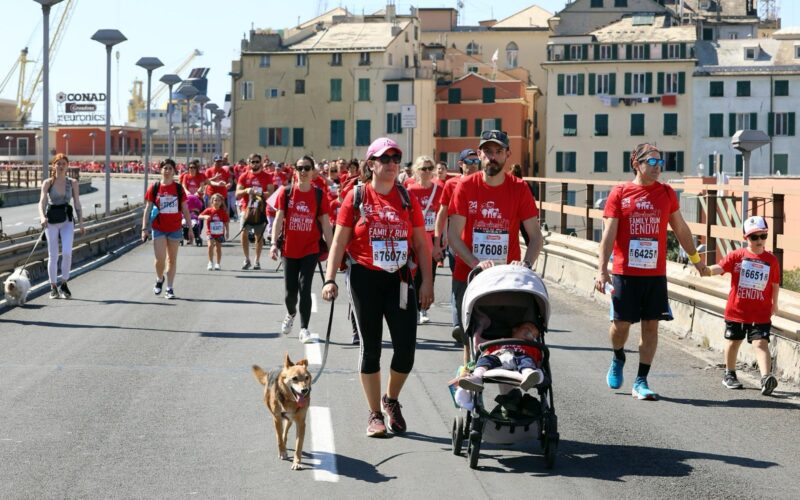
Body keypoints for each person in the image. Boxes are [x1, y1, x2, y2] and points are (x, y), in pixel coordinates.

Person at [321, 137, 433, 438]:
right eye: (385, 159)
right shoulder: (356, 196)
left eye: (396, 158)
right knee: (371, 350)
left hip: (399, 280)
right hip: (365, 279)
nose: (392, 163)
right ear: (371, 164)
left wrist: (428, 283)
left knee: (406, 352)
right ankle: (374, 414)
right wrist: (330, 279)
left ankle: (391, 400)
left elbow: (422, 244)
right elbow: (339, 242)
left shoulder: (407, 199)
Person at [595, 143, 707, 400]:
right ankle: (618, 356)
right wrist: (602, 270)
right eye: (653, 162)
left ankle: (641, 381)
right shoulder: (620, 193)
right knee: (620, 326)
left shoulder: (667, 193)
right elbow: (608, 236)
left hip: (654, 274)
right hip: (625, 272)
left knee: (651, 327)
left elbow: (681, 228)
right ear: (637, 163)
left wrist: (696, 259)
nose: (658, 167)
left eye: (661, 162)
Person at [448, 131, 543, 357]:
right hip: (470, 273)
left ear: (508, 154)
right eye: (488, 152)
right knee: (471, 337)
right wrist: (475, 263)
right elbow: (453, 234)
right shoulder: (466, 186)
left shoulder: (519, 188)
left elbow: (536, 236)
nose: (493, 157)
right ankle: (471, 377)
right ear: (480, 154)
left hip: (507, 276)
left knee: (507, 334)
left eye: (498, 152)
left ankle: (509, 384)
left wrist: (526, 264)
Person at [701, 215, 780, 395]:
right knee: (734, 342)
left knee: (761, 343)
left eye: (763, 236)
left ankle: (766, 378)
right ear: (746, 238)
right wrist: (704, 270)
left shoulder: (772, 260)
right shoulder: (737, 256)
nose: (759, 241)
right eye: (754, 237)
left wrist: (775, 305)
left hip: (760, 313)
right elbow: (719, 268)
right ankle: (729, 374)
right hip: (737, 311)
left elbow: (775, 284)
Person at [270, 155, 334, 344]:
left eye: (307, 168)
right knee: (290, 293)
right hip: (289, 250)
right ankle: (291, 313)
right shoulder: (286, 192)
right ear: (295, 171)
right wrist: (274, 244)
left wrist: (333, 252)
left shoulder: (319, 194)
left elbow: (326, 224)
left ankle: (304, 329)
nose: (303, 172)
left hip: (310, 249)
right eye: (300, 168)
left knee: (305, 289)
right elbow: (279, 219)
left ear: (313, 172)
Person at [434, 149, 482, 341]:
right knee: (459, 284)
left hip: (479, 242)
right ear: (460, 164)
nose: (472, 164)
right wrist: (438, 241)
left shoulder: (483, 182)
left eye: (475, 160)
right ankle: (458, 325)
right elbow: (442, 213)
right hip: (457, 243)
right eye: (468, 161)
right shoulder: (451, 184)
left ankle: (476, 324)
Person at [142, 159, 194, 299]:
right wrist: (144, 228)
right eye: (165, 168)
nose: (167, 170)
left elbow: (185, 209)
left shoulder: (178, 188)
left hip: (175, 227)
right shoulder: (155, 187)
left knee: (172, 259)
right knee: (160, 259)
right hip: (158, 228)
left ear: (174, 171)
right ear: (161, 170)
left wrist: (190, 228)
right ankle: (160, 279)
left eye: (170, 168)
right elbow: (147, 209)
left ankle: (170, 288)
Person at [38, 153, 84, 299]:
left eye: (64, 163)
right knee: (53, 255)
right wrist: (42, 217)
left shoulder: (73, 183)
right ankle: (53, 287)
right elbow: (42, 202)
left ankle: (64, 283)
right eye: (58, 163)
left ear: (67, 166)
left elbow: (77, 203)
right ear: (54, 165)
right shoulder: (47, 183)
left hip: (66, 221)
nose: (61, 165)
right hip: (51, 222)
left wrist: (81, 222)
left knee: (67, 252)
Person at [458, 318, 545, 392]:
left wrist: (537, 365)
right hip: (500, 357)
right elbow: (489, 350)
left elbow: (537, 359)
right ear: (515, 329)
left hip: (520, 358)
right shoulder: (502, 340)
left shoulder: (531, 346)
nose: (531, 334)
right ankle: (477, 377)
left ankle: (528, 375)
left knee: (527, 360)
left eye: (534, 335)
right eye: (528, 329)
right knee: (486, 359)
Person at [407, 155, 442, 324]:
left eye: (430, 168)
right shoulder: (410, 191)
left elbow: (444, 217)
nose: (427, 172)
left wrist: (443, 240)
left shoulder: (439, 189)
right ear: (416, 171)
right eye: (423, 168)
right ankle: (414, 307)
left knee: (430, 273)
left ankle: (424, 309)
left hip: (432, 238)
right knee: (415, 274)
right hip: (416, 239)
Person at [236, 153, 275, 270]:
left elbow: (271, 193)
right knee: (244, 234)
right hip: (246, 209)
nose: (255, 164)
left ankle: (257, 260)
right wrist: (246, 190)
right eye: (253, 162)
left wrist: (260, 193)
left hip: (260, 210)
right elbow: (237, 194)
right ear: (249, 163)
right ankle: (246, 258)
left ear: (261, 163)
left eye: (257, 161)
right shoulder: (244, 176)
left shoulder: (267, 176)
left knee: (259, 236)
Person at [199, 193, 230, 270]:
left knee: (218, 248)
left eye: (219, 200)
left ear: (221, 202)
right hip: (210, 232)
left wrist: (227, 232)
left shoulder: (223, 212)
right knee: (210, 246)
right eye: (215, 200)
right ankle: (210, 262)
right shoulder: (208, 210)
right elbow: (199, 216)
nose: (217, 202)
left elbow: (226, 222)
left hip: (219, 233)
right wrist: (205, 216)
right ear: (212, 201)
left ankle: (218, 263)